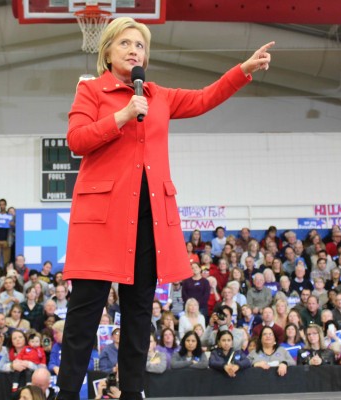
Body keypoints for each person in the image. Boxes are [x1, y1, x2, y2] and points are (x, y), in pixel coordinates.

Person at [55, 15, 273, 399]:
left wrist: (242, 70)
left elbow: (205, 97)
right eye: (125, 43)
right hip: (101, 219)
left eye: (140, 46)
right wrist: (121, 116)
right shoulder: (91, 91)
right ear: (106, 51)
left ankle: (133, 391)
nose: (134, 50)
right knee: (83, 316)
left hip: (148, 220)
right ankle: (67, 393)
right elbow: (76, 140)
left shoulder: (159, 96)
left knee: (139, 314)